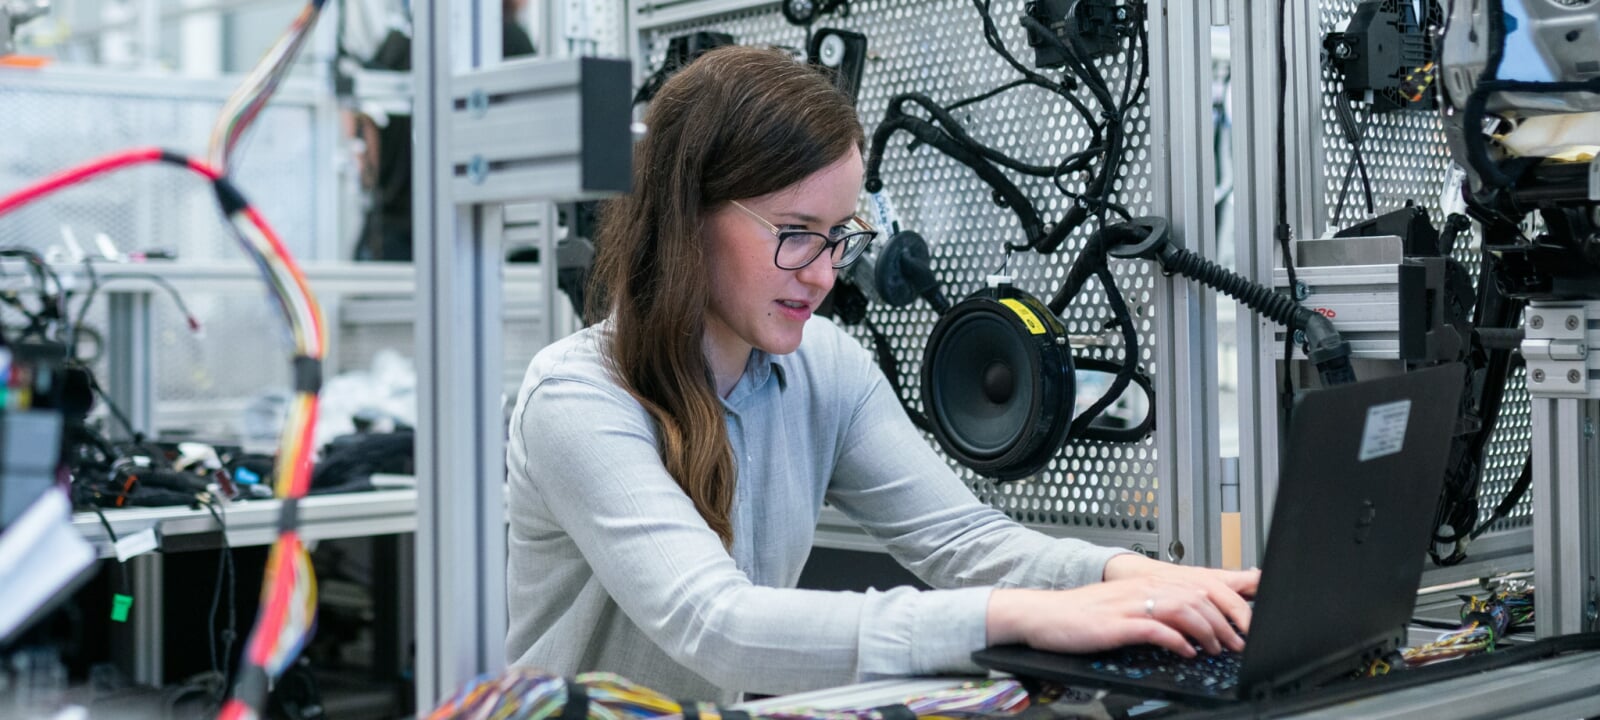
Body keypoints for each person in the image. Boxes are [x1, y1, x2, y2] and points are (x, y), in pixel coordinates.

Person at [504, 45, 1259, 702]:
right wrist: (1017, 616)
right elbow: (717, 625)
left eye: (840, 237)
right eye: (796, 234)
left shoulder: (825, 369)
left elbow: (965, 541)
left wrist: (1135, 578)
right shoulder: (579, 397)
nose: (826, 275)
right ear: (687, 215)